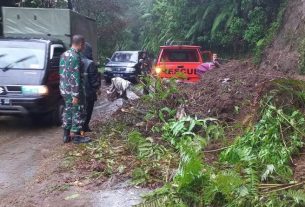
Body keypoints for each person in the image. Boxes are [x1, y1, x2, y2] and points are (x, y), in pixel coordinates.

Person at [59, 35, 87, 143]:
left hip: (64, 90)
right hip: (74, 90)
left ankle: (66, 136)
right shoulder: (75, 56)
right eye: (83, 45)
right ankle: (76, 137)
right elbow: (75, 76)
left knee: (68, 111)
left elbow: (62, 73)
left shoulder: (63, 55)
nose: (84, 47)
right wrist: (75, 95)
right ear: (80, 43)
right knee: (77, 111)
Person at [81, 43, 101, 132]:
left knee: (80, 111)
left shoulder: (76, 60)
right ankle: (84, 127)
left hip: (78, 92)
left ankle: (80, 128)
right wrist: (97, 89)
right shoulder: (90, 63)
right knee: (88, 110)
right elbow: (94, 80)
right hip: (89, 93)